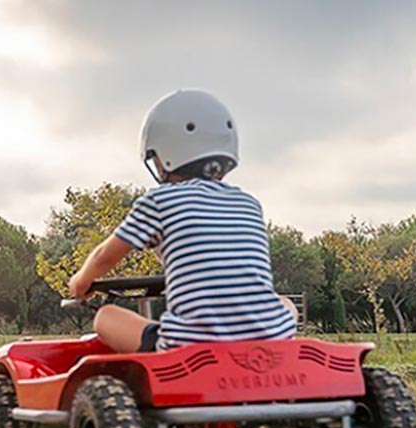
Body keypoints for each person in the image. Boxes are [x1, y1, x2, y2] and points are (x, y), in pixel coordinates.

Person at [69, 89, 298, 353]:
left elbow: (103, 257)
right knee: (284, 303)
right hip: (269, 340)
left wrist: (81, 280)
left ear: (164, 156)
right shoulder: (249, 203)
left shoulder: (159, 201)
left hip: (190, 347)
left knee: (106, 316)